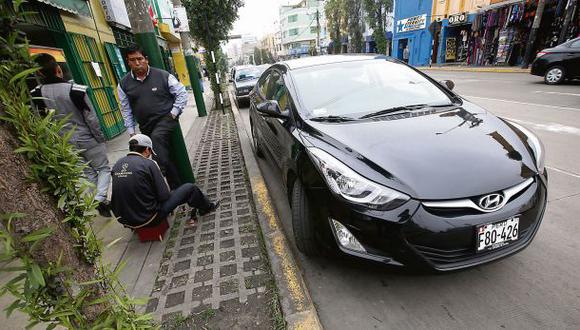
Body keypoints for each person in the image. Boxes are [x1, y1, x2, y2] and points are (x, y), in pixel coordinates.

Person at [31, 53, 112, 217]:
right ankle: (99, 197)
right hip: (87, 138)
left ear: (39, 73)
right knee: (103, 169)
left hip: (64, 142)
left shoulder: (36, 94)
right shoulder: (76, 90)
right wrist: (100, 138)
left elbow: (39, 120)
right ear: (58, 69)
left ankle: (99, 201)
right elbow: (91, 118)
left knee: (87, 172)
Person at [110, 134, 219, 228]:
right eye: (150, 152)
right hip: (149, 219)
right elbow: (164, 196)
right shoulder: (149, 164)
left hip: (125, 220)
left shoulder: (117, 164)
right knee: (190, 188)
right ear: (147, 150)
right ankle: (207, 207)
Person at [117, 46, 188, 189]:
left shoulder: (162, 75)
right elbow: (126, 109)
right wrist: (131, 132)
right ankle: (176, 187)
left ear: (146, 60)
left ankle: (156, 174)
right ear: (128, 62)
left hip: (165, 119)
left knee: (156, 140)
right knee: (160, 153)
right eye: (133, 60)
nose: (137, 63)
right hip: (145, 125)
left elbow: (182, 93)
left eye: (140, 59)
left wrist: (173, 113)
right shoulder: (124, 84)